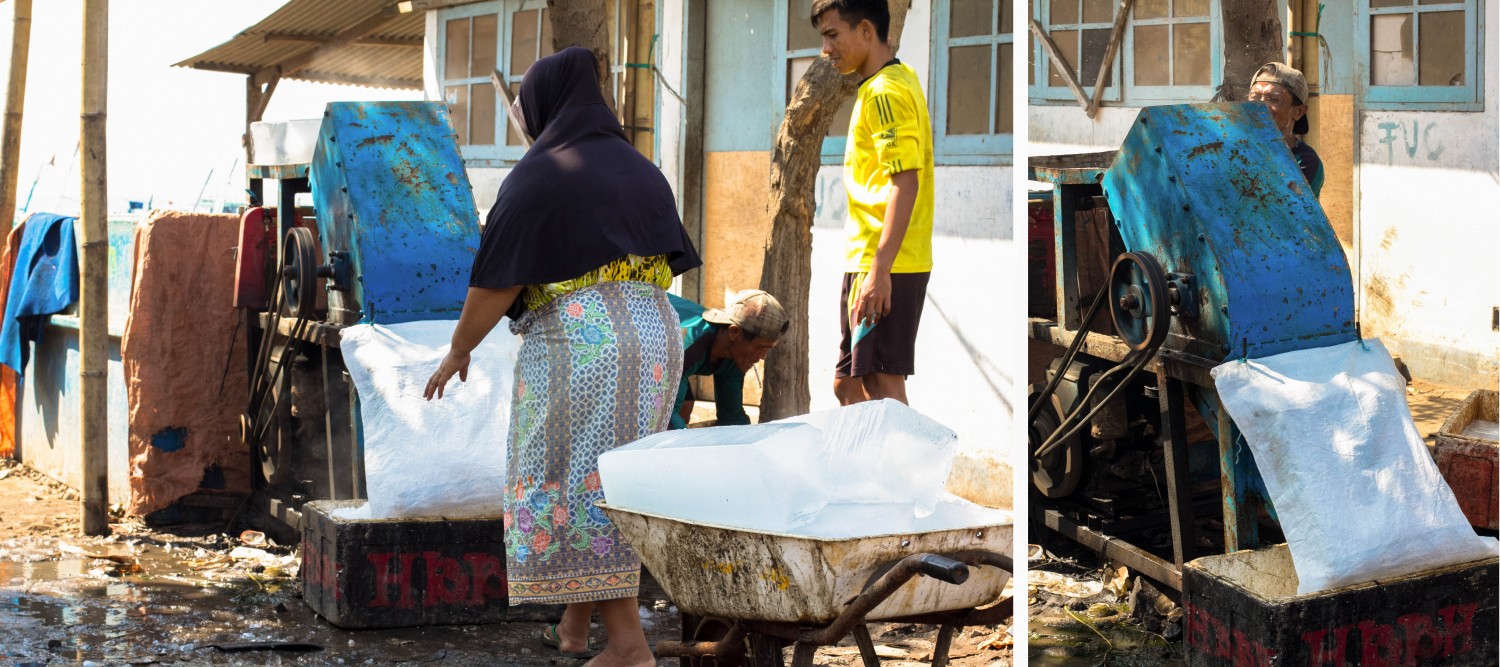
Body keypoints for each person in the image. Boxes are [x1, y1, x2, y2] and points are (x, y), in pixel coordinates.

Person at [423, 47, 700, 667]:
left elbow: (496, 284)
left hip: (584, 344)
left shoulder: (541, 172)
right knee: (612, 483)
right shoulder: (640, 168)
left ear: (545, 105)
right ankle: (576, 631)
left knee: (574, 486)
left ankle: (629, 646)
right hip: (656, 336)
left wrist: (457, 350)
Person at [812, 0, 934, 407]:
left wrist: (880, 271)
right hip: (869, 261)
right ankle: (863, 472)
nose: (826, 49)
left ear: (866, 30)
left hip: (886, 265)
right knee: (847, 387)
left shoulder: (885, 91)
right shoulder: (892, 80)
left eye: (833, 35)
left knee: (881, 387)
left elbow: (906, 182)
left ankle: (908, 472)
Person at [667, 289, 788, 429]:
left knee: (683, 407)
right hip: (642, 346)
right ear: (734, 332)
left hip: (672, 364)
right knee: (680, 408)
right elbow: (665, 415)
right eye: (760, 348)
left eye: (768, 349)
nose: (762, 357)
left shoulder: (734, 356)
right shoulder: (688, 344)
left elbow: (732, 417)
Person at [1248, 62, 1324, 197]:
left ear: (1298, 112)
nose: (1260, 106)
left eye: (1273, 99)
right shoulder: (1233, 148)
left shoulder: (1305, 161)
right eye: (1254, 98)